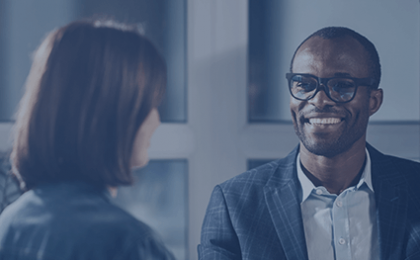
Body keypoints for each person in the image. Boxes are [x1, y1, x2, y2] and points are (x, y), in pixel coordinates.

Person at [198, 27, 420, 260]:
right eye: (304, 84)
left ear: (373, 101)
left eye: (342, 85)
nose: (319, 100)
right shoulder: (234, 203)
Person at [0, 20, 175, 260]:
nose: (156, 121)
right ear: (112, 114)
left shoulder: (9, 224)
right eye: (149, 105)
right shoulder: (129, 243)